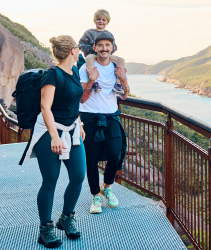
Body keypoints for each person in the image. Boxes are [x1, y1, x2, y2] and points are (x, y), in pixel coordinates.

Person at [23, 35, 86, 248]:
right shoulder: (52, 75)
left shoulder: (75, 71)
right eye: (78, 47)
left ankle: (66, 218)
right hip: (50, 131)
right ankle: (45, 229)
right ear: (71, 51)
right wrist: (54, 136)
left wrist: (80, 124)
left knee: (78, 176)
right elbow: (45, 107)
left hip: (72, 129)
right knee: (50, 180)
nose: (80, 50)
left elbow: (74, 101)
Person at [79, 32, 129, 214]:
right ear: (95, 48)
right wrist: (92, 79)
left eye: (107, 45)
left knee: (115, 154)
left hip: (111, 116)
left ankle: (106, 186)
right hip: (89, 117)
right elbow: (82, 99)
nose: (104, 49)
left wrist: (122, 78)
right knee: (91, 160)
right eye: (100, 45)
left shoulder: (117, 67)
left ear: (112, 48)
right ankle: (95, 196)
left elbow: (124, 94)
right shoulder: (85, 68)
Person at [79, 9, 125, 94]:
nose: (101, 21)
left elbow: (114, 47)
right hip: (93, 55)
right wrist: (93, 48)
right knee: (88, 58)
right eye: (98, 19)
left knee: (121, 60)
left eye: (103, 20)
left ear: (107, 22)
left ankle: (118, 84)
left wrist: (106, 49)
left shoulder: (109, 34)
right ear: (94, 20)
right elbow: (81, 45)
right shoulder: (89, 33)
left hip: (105, 55)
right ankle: (95, 83)